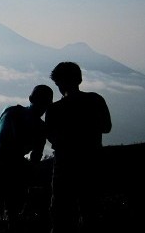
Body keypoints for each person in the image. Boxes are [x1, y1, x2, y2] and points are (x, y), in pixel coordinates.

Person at [45, 62, 112, 233]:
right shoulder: (96, 100)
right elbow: (107, 127)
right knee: (91, 214)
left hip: (64, 169)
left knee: (61, 217)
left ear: (59, 83)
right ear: (79, 79)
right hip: (92, 165)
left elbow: (52, 138)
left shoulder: (54, 109)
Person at [0, 84, 53, 233]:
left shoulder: (9, 111)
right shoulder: (41, 128)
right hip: (17, 169)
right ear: (48, 105)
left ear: (30, 98)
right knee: (13, 213)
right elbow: (35, 157)